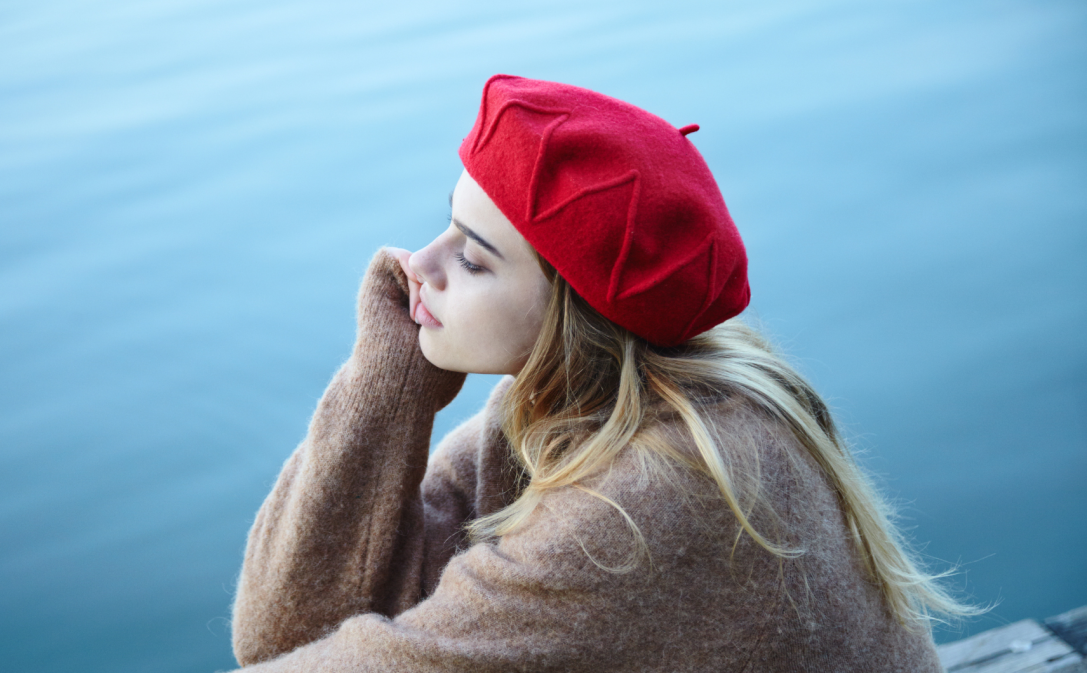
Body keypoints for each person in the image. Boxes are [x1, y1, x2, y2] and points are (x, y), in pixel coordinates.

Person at [228, 74, 972, 671]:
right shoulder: (570, 406)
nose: (416, 265)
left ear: (573, 313)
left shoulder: (654, 494)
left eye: (473, 257)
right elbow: (285, 633)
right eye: (445, 224)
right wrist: (388, 381)